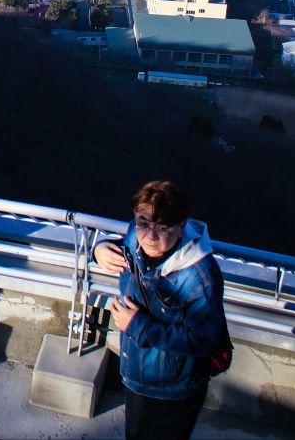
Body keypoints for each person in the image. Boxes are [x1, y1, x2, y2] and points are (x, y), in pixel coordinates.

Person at [92, 180, 228, 440]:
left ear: (181, 226)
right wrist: (99, 250)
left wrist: (138, 325)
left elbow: (203, 339)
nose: (150, 237)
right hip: (135, 374)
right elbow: (122, 244)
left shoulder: (199, 276)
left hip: (172, 389)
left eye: (162, 227)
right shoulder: (135, 238)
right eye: (144, 223)